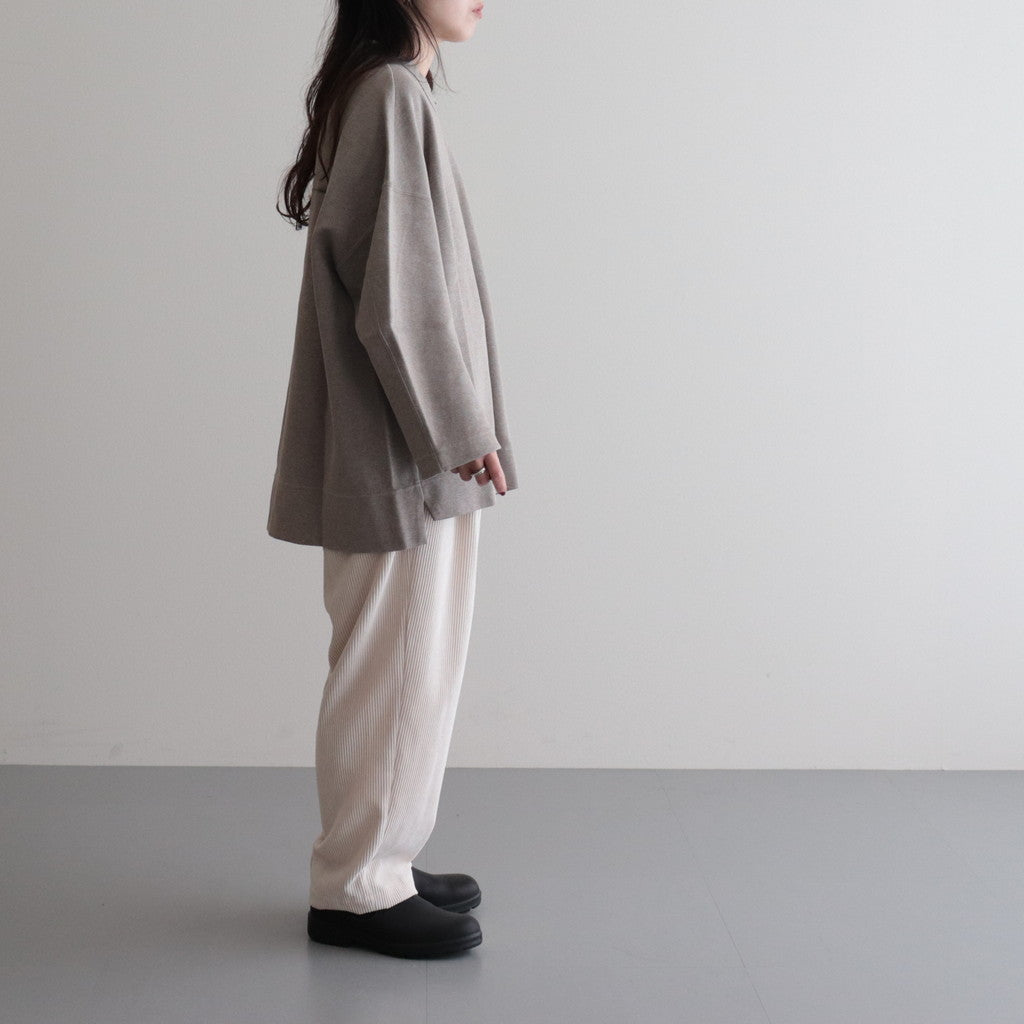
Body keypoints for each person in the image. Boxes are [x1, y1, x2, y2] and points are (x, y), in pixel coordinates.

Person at [267, 0, 517, 959]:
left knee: (404, 666)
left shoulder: (385, 91)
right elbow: (398, 304)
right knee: (396, 669)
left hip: (402, 444)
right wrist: (458, 429)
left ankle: (384, 862)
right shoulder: (387, 97)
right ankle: (358, 887)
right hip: (401, 451)